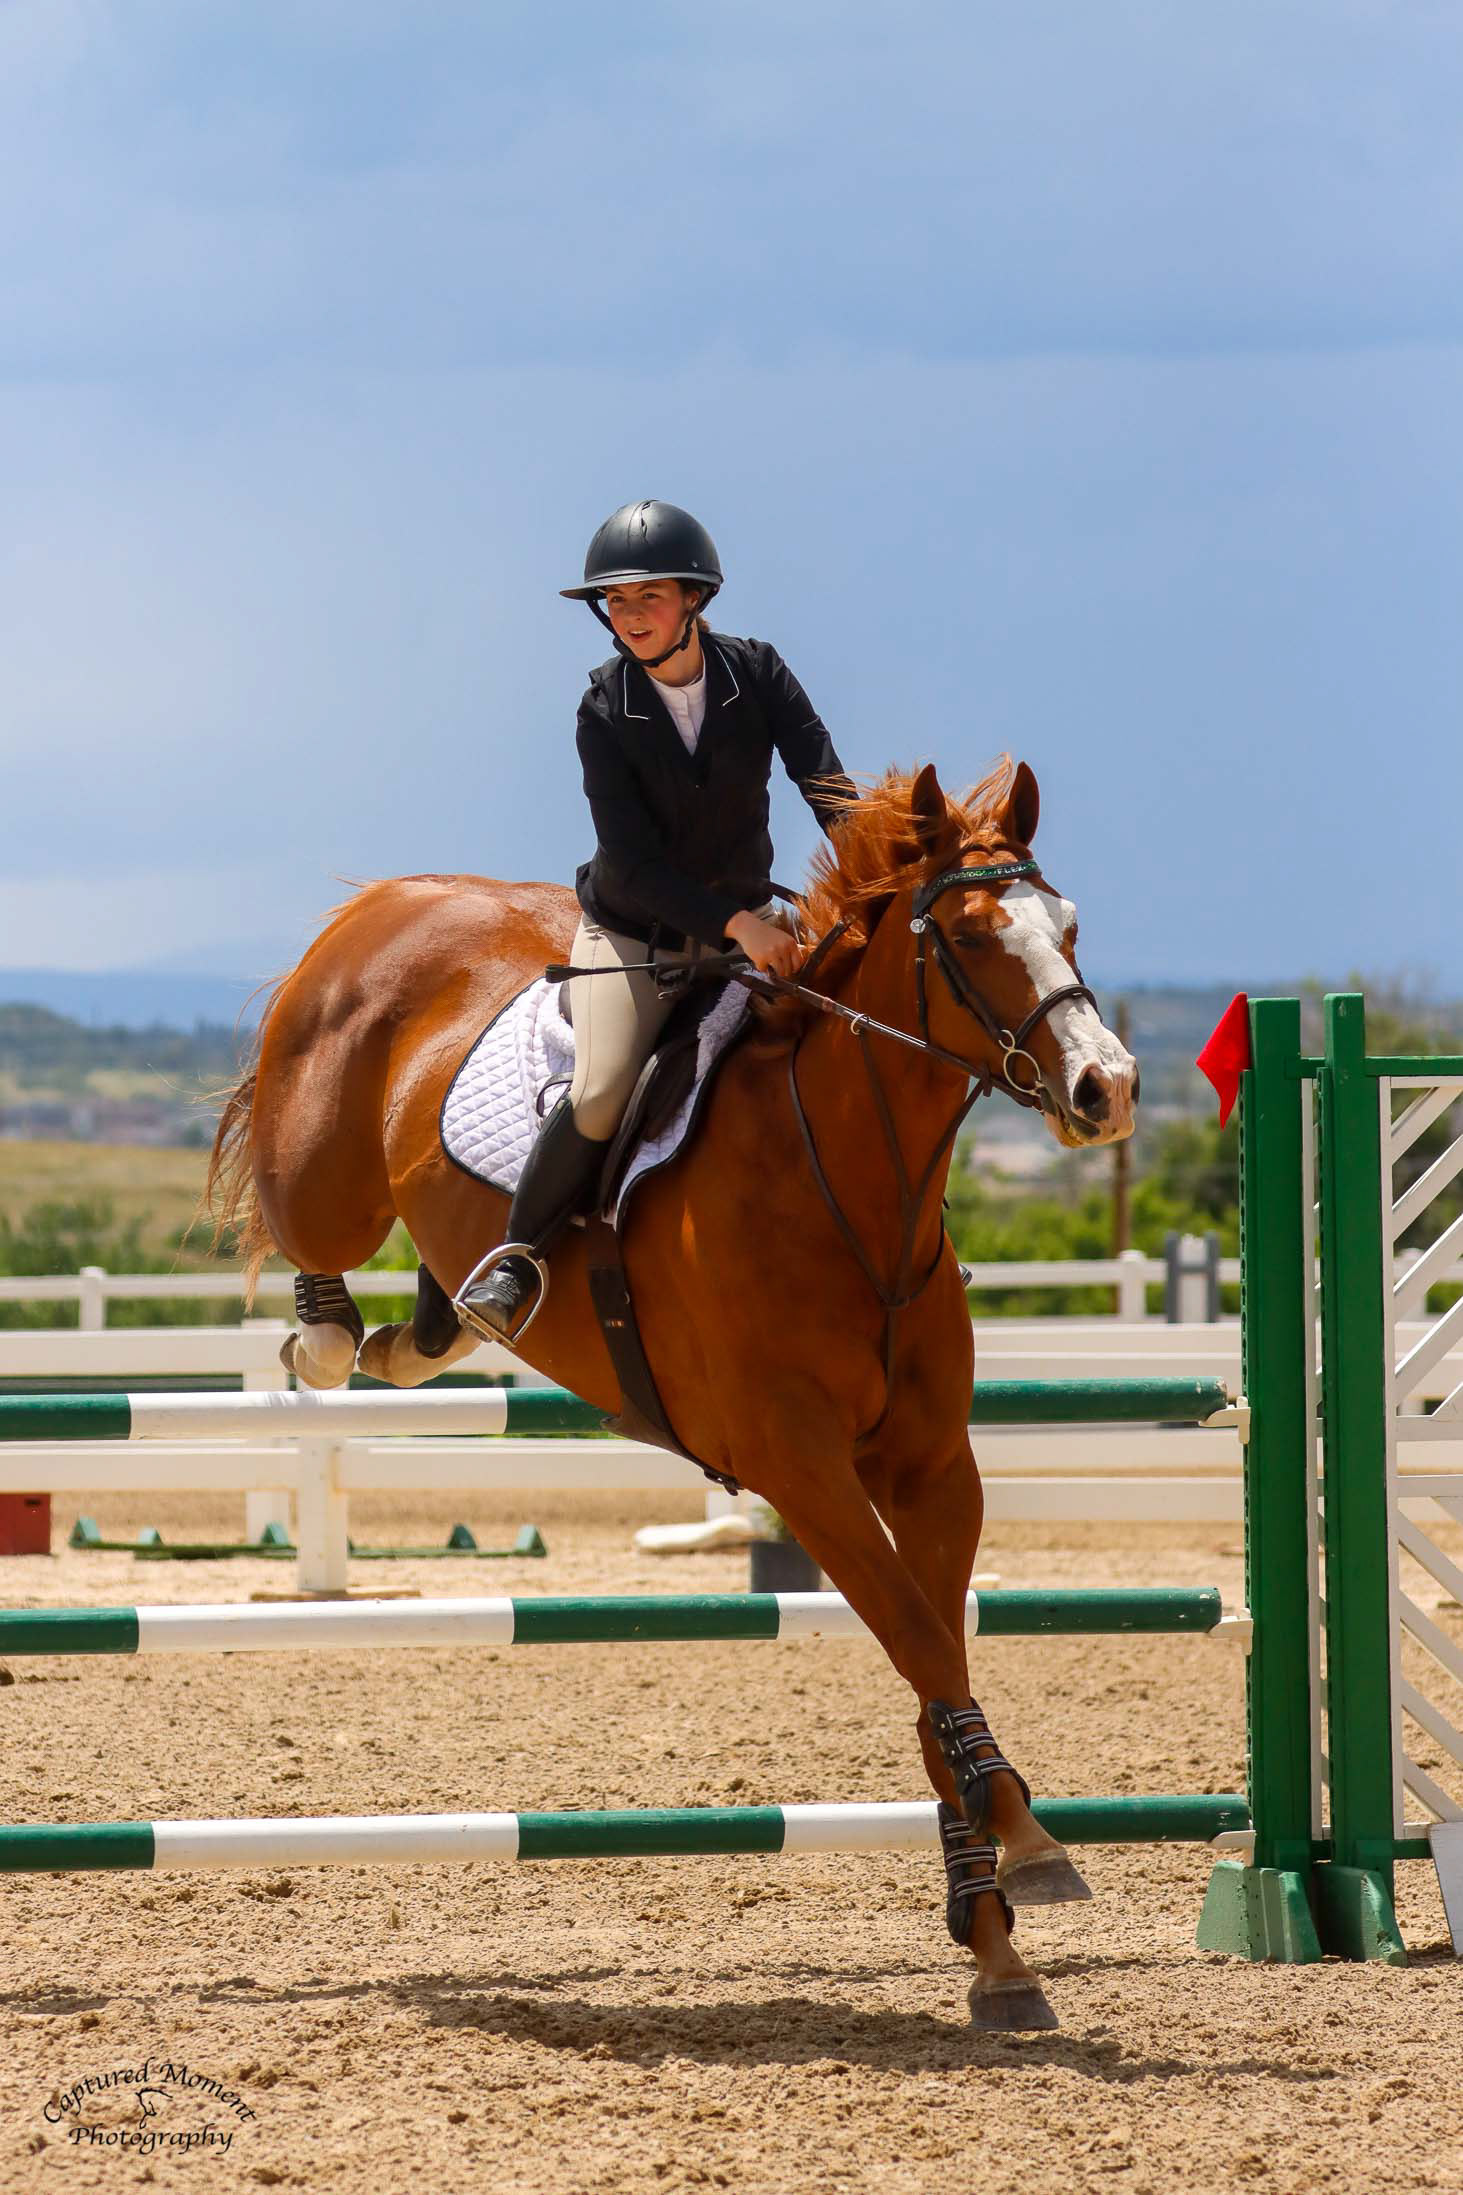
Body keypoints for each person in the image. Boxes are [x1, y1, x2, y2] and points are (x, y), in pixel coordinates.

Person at [457, 498, 855, 1340]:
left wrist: (872, 869)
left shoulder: (760, 673)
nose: (629, 616)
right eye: (616, 601)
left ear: (695, 600)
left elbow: (824, 783)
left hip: (749, 917)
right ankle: (516, 1260)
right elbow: (632, 864)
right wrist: (740, 928)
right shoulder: (604, 710)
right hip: (632, 932)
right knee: (602, 1090)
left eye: (648, 597)